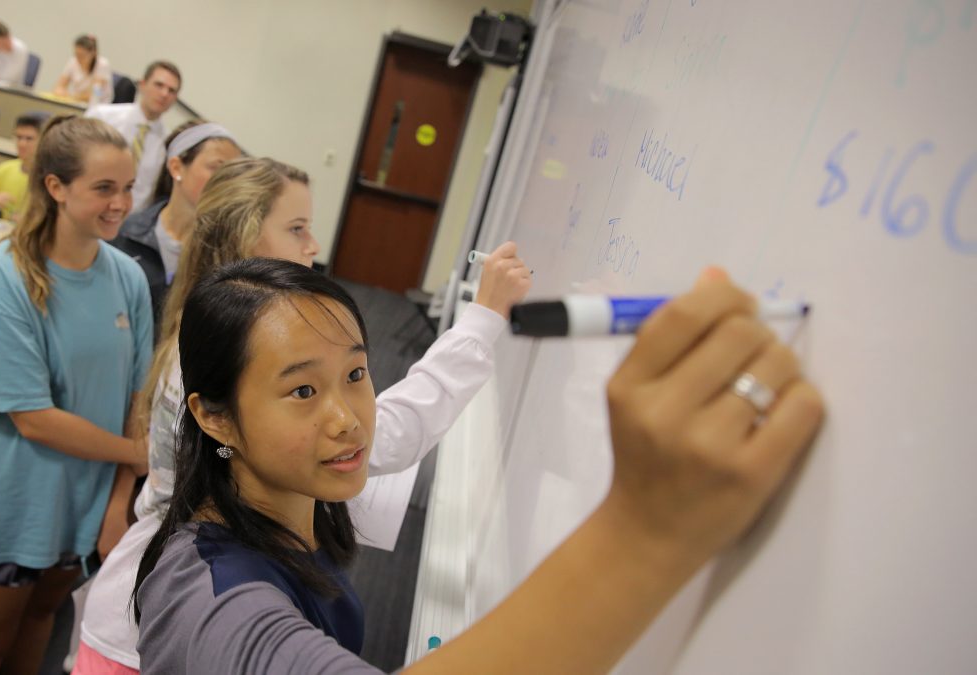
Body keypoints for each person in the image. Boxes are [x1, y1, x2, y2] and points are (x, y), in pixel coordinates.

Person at [132, 258, 824, 674]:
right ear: (215, 415)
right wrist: (647, 529)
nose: (348, 416)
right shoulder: (212, 595)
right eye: (303, 390)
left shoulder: (288, 508)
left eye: (357, 374)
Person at [72, 157, 532, 673]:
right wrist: (484, 321)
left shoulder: (216, 350)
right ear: (243, 247)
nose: (313, 246)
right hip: (128, 638)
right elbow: (394, 431)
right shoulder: (218, 588)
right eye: (296, 229)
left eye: (357, 374)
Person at [0, 115, 153, 675]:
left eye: (129, 186)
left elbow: (138, 401)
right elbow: (33, 418)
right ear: (56, 188)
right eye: (104, 188)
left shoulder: (127, 278)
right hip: (15, 506)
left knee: (41, 624)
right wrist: (135, 458)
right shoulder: (1, 279)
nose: (121, 203)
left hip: (83, 508)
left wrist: (117, 506)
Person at [110, 120, 241, 325]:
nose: (227, 182)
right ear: (176, 166)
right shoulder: (123, 235)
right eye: (217, 168)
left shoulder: (229, 254)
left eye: (233, 174)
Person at [86, 61, 181, 214]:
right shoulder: (102, 117)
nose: (164, 94)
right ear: (142, 85)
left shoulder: (170, 144)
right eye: (159, 85)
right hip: (91, 210)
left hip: (131, 225)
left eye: (171, 91)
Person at [52, 34, 112, 105]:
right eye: (76, 54)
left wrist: (72, 96)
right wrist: (60, 91)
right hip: (76, 103)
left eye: (82, 55)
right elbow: (59, 86)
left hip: (98, 106)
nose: (78, 59)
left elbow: (94, 94)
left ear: (93, 53)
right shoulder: (73, 62)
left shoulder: (102, 64)